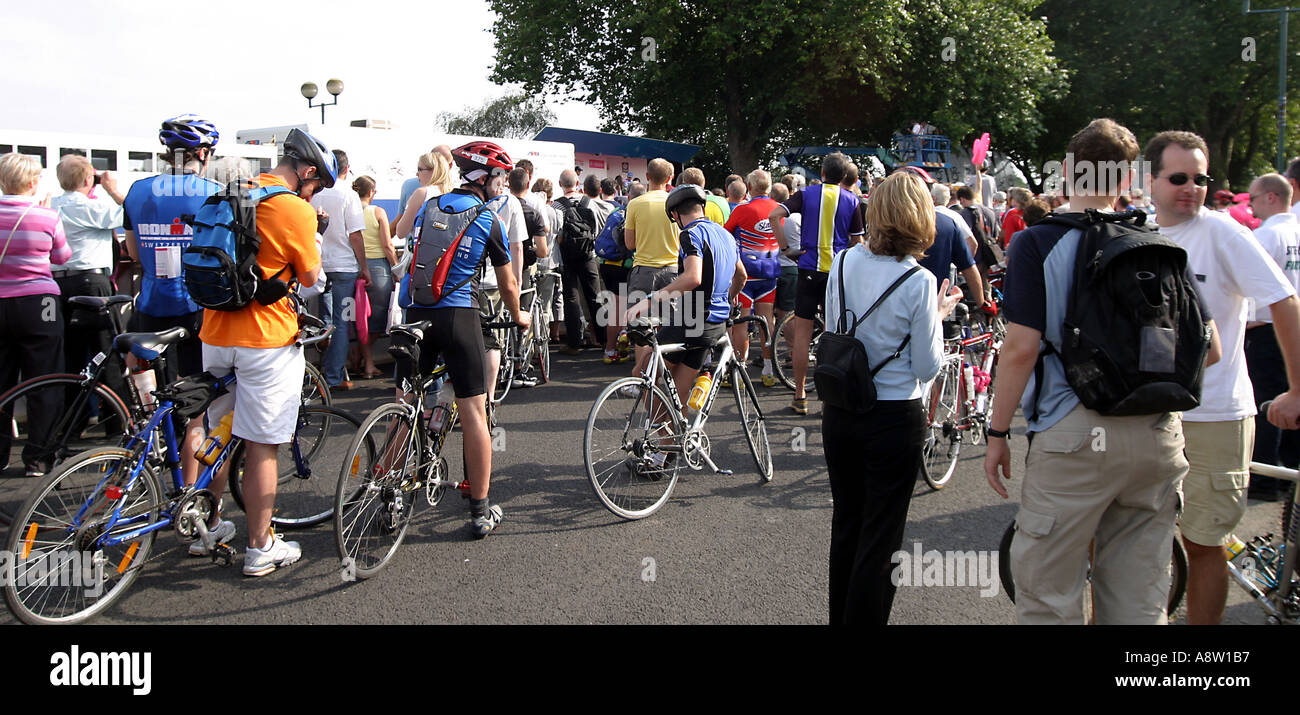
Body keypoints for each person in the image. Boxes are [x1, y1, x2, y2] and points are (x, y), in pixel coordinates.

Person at [985, 118, 1222, 624]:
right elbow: (1210, 347)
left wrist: (997, 430)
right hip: (1156, 434)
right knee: (1139, 600)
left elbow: (1022, 349)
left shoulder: (1037, 243)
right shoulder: (1157, 243)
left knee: (1049, 597)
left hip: (1073, 432)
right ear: (1127, 180)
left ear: (1068, 170)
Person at [1145, 131, 1300, 624]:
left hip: (1216, 414)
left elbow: (1284, 301)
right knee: (1136, 538)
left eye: (1201, 178)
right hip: (1147, 413)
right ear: (1150, 181)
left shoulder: (1225, 233)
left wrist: (1298, 389)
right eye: (1178, 178)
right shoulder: (1138, 232)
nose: (1192, 187)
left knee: (1203, 541)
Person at [823, 170, 961, 624]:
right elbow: (926, 367)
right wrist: (938, 315)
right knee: (880, 539)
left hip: (842, 409)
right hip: (894, 414)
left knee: (847, 523)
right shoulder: (919, 281)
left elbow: (833, 330)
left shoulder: (843, 261)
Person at [198, 127, 327, 575]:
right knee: (262, 444)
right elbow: (312, 281)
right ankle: (260, 545)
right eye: (317, 184)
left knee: (218, 433)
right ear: (306, 171)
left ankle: (206, 526)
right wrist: (312, 236)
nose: (315, 193)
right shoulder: (292, 207)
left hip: (214, 333)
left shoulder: (227, 194)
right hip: (266, 341)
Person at [397, 140, 529, 538]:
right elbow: (508, 283)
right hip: (458, 316)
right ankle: (480, 509)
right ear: (484, 178)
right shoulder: (490, 219)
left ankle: (385, 485)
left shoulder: (429, 205)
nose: (503, 185)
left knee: (405, 403)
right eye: (500, 177)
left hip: (416, 315)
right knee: (475, 412)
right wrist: (518, 315)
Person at [122, 114, 222, 490]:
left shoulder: (137, 190)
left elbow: (132, 251)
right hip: (197, 310)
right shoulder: (212, 190)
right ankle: (189, 492)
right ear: (202, 152)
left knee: (149, 387)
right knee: (196, 413)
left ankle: (146, 439)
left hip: (150, 304)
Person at [625, 185, 744, 408]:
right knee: (678, 396)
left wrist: (649, 300)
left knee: (641, 372)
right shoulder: (725, 235)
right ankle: (684, 438)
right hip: (714, 324)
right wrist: (728, 299)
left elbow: (692, 278)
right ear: (702, 207)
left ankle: (663, 435)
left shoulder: (690, 233)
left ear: (675, 215)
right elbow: (741, 276)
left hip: (692, 320)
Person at [769, 151, 864, 415]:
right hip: (837, 274)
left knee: (802, 334)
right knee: (836, 334)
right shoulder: (852, 200)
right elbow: (858, 242)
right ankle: (830, 400)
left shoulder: (807, 194)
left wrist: (786, 248)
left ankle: (800, 395)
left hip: (808, 269)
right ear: (844, 176)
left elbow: (774, 216)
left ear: (822, 173)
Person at [0, 153, 71, 478]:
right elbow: (61, 255)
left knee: (3, 380)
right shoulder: (46, 216)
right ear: (32, 182)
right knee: (44, 381)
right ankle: (38, 458)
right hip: (38, 301)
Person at [50, 153, 128, 413]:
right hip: (91, 283)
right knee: (105, 352)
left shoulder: (51, 205)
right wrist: (111, 189)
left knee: (69, 356)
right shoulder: (92, 208)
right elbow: (132, 213)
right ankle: (118, 418)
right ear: (88, 178)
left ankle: (72, 421)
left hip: (57, 284)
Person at [1245, 172, 1300, 500]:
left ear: (1270, 197)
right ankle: (1287, 474)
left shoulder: (1268, 235)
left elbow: (1253, 294)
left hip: (1268, 330)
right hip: (1289, 326)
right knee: (1291, 398)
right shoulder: (1294, 229)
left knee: (1266, 405)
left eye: (1252, 199)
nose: (1250, 207)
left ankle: (1265, 477)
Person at [310, 149, 367, 391]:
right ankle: (333, 377)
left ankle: (329, 374)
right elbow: (355, 235)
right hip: (344, 268)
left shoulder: (314, 191)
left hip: (318, 266)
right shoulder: (349, 195)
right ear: (346, 169)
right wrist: (364, 267)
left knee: (326, 323)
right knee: (342, 323)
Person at [624, 158, 681, 387]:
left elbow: (629, 243)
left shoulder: (636, 204)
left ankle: (642, 381)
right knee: (671, 327)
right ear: (670, 179)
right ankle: (665, 379)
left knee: (641, 327)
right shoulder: (677, 203)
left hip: (644, 270)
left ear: (647, 177)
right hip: (673, 270)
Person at [723, 169, 780, 385]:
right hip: (769, 273)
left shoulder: (742, 209)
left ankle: (738, 370)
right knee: (767, 322)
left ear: (749, 186)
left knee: (741, 323)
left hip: (745, 275)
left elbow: (726, 233)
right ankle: (769, 370)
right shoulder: (778, 209)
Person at [553, 169, 603, 355]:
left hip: (568, 257)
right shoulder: (588, 202)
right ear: (577, 183)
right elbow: (597, 228)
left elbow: (557, 234)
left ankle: (574, 343)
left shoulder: (557, 206)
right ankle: (603, 340)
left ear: (560, 184)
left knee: (571, 298)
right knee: (595, 296)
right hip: (588, 254)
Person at [354, 175, 395, 378]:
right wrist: (397, 268)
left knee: (361, 320)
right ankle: (367, 363)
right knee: (380, 321)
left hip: (355, 266)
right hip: (379, 268)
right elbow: (387, 245)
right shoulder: (378, 212)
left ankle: (361, 358)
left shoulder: (350, 211)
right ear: (371, 192)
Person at [394, 151, 453, 239]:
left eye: (420, 169)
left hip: (424, 250)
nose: (417, 174)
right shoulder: (452, 193)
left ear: (434, 170)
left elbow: (401, 232)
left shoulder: (422, 193)